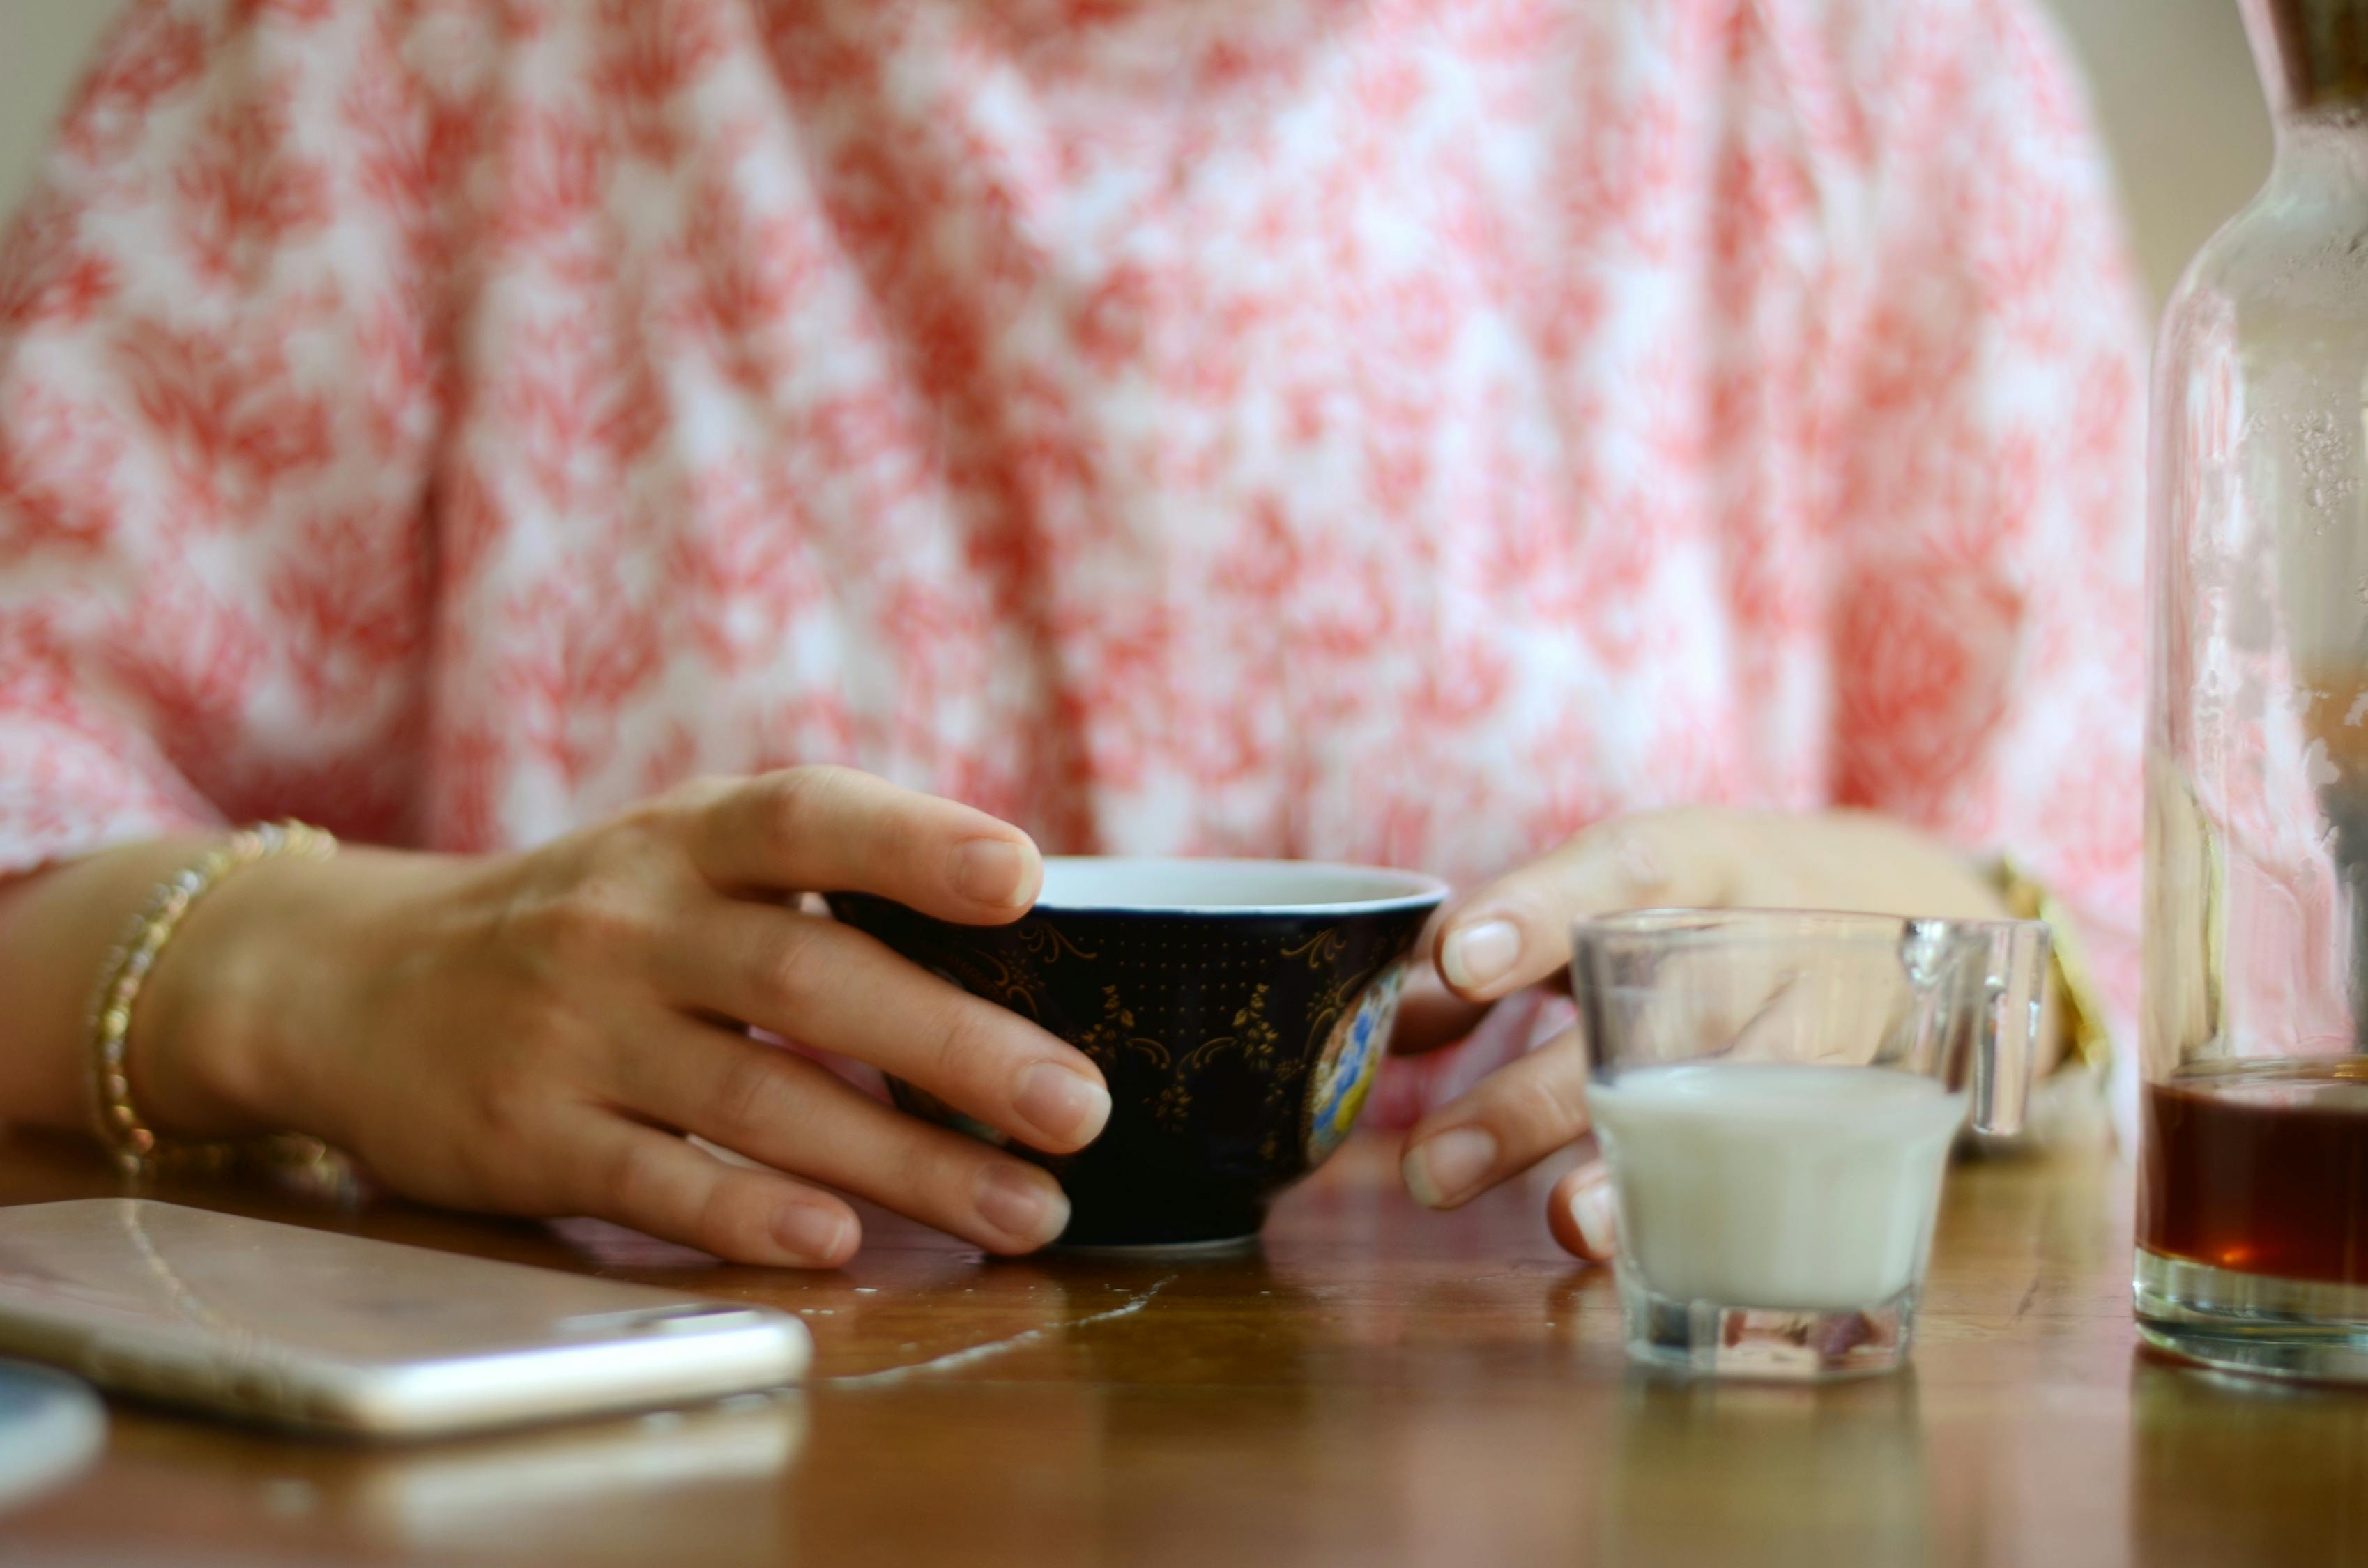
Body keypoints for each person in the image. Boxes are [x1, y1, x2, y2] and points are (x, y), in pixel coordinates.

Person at [0, 0, 2144, 1268]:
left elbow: (2161, 974)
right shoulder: (386, 58)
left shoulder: (1862, 60)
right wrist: (316, 978)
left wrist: (1951, 950)